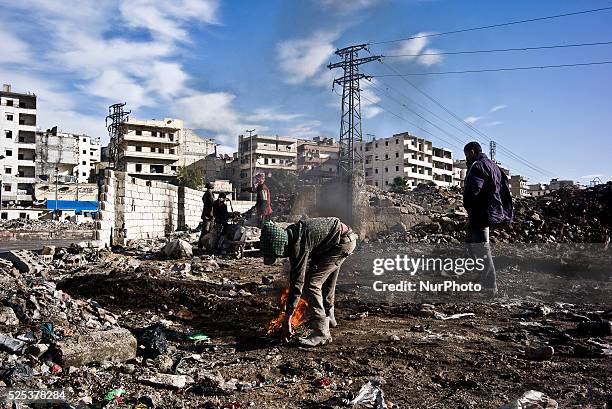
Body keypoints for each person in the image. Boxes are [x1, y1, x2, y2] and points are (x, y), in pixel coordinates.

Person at [260, 217, 358, 347]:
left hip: (341, 244)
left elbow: (297, 283)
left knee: (312, 284)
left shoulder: (297, 244)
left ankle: (321, 332)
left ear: (280, 246)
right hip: (338, 241)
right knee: (325, 280)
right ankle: (329, 318)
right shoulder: (292, 233)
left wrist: (287, 317)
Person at [463, 141, 513, 294]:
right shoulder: (493, 166)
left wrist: (470, 206)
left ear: (471, 152)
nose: (466, 159)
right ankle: (480, 277)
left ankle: (490, 286)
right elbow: (504, 190)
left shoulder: (478, 166)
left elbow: (473, 190)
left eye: (466, 155)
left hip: (480, 212)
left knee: (481, 248)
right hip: (490, 211)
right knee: (471, 243)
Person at [198, 182, 215, 250]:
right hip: (208, 216)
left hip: (209, 215)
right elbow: (212, 202)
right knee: (205, 231)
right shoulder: (209, 193)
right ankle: (201, 246)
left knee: (208, 231)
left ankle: (207, 246)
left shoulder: (206, 194)